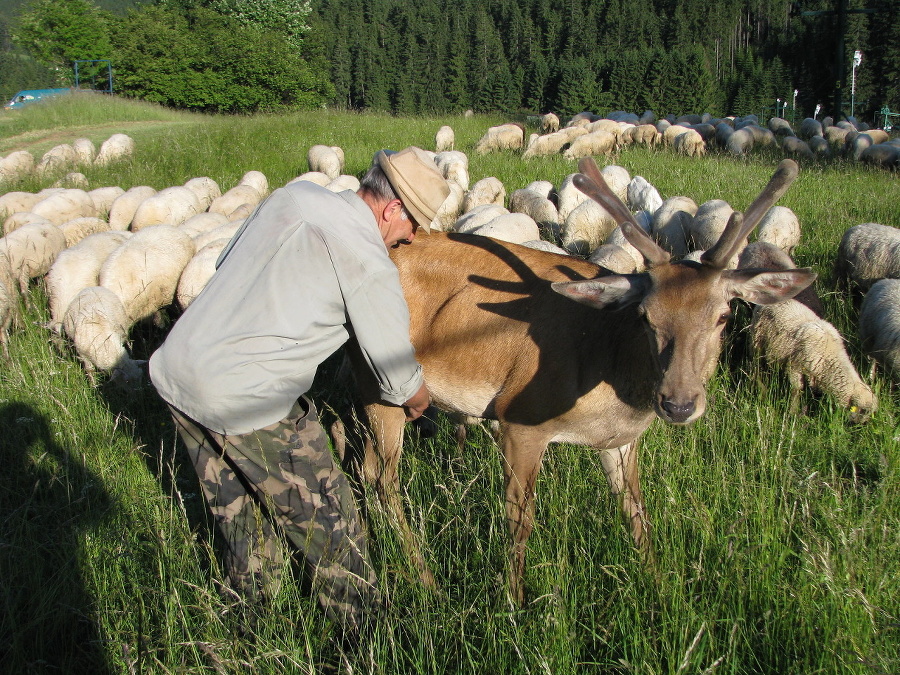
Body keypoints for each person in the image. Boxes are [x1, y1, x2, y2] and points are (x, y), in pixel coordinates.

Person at [148, 146, 450, 632]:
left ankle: (250, 631)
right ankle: (367, 641)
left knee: (240, 521)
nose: (412, 237)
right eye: (413, 224)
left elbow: (228, 260)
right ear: (392, 209)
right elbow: (393, 368)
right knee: (336, 530)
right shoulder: (368, 260)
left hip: (180, 372)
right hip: (248, 397)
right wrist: (419, 401)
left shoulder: (295, 196)